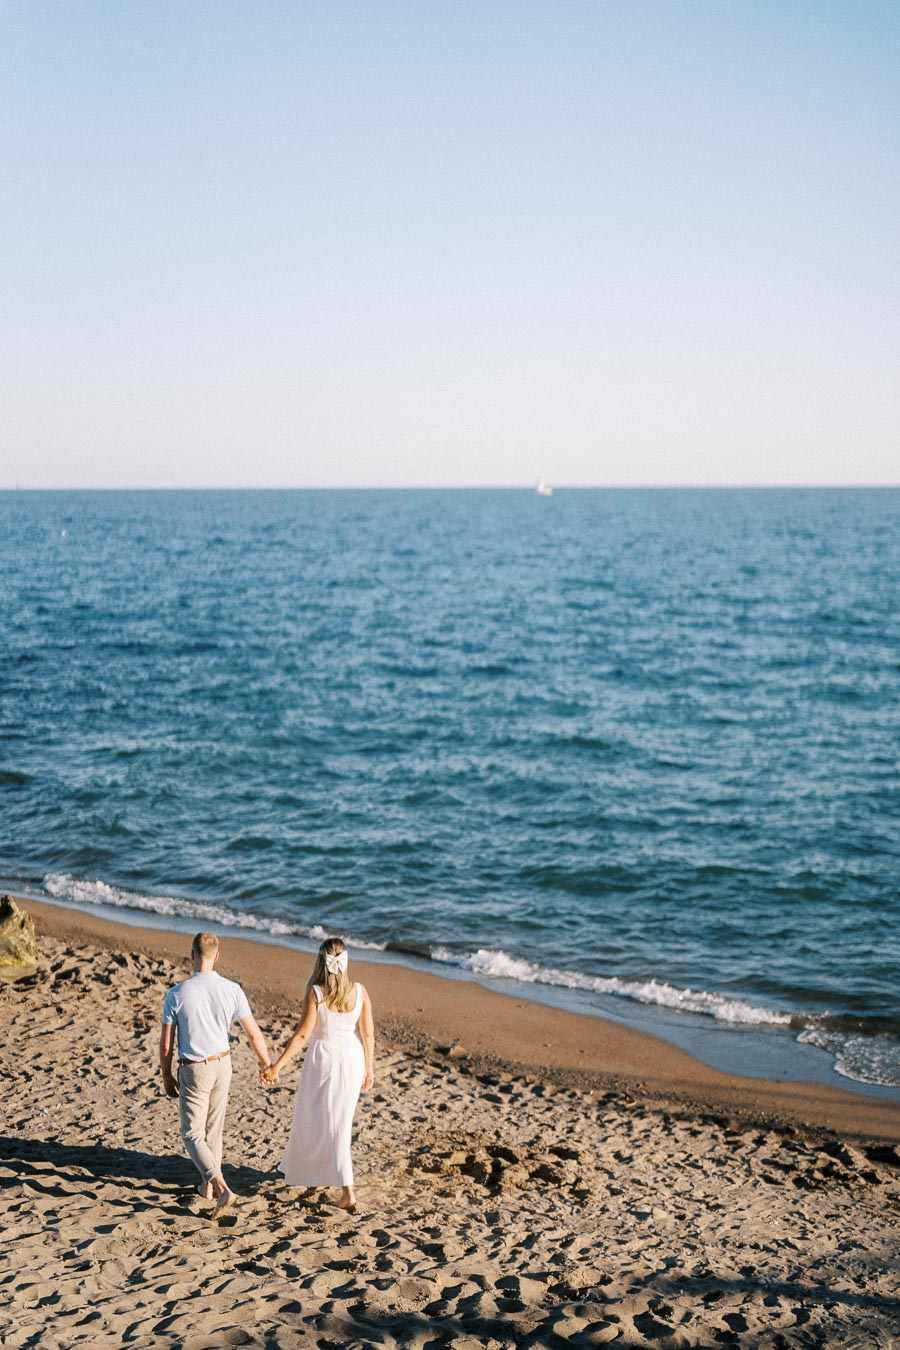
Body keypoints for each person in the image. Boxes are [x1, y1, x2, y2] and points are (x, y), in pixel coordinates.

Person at [159, 931, 270, 1218]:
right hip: (223, 1064)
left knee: (191, 1133)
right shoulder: (232, 989)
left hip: (195, 1068)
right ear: (217, 956)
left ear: (192, 955)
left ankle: (221, 1188)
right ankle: (206, 1188)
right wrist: (266, 1064)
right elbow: (254, 1034)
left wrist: (166, 1075)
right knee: (213, 1130)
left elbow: (166, 1044)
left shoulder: (177, 994)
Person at [261, 937, 375, 1213]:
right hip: (352, 1056)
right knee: (338, 1119)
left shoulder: (316, 993)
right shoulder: (359, 991)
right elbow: (368, 1033)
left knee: (322, 1118)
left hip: (324, 1058)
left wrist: (277, 1065)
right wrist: (369, 1066)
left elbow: (302, 1035)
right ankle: (324, 1174)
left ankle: (347, 1190)